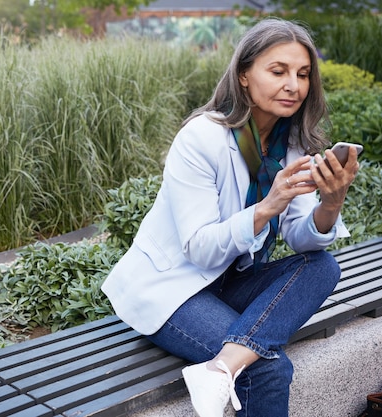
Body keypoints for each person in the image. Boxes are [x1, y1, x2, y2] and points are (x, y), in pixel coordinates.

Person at [101, 17, 360, 417]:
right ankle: (228, 366)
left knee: (322, 265)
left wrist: (331, 202)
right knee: (267, 371)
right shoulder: (201, 138)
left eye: (303, 74)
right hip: (173, 288)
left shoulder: (291, 145)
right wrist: (267, 207)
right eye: (278, 71)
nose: (293, 84)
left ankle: (220, 368)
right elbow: (201, 248)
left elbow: (301, 240)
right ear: (243, 75)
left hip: (229, 281)